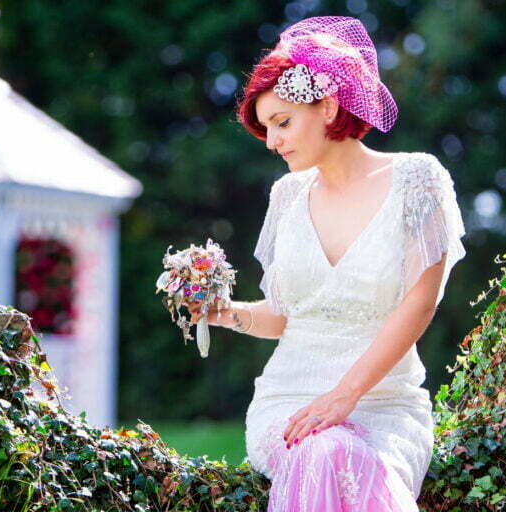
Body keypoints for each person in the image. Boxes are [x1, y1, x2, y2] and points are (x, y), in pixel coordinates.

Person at [190, 16, 466, 511]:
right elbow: (285, 314)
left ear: (329, 105)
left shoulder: (418, 179)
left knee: (338, 449)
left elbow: (420, 304)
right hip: (289, 403)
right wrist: (224, 312)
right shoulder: (287, 195)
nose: (272, 141)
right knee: (321, 447)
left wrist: (346, 396)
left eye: (282, 122)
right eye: (266, 128)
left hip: (384, 408)